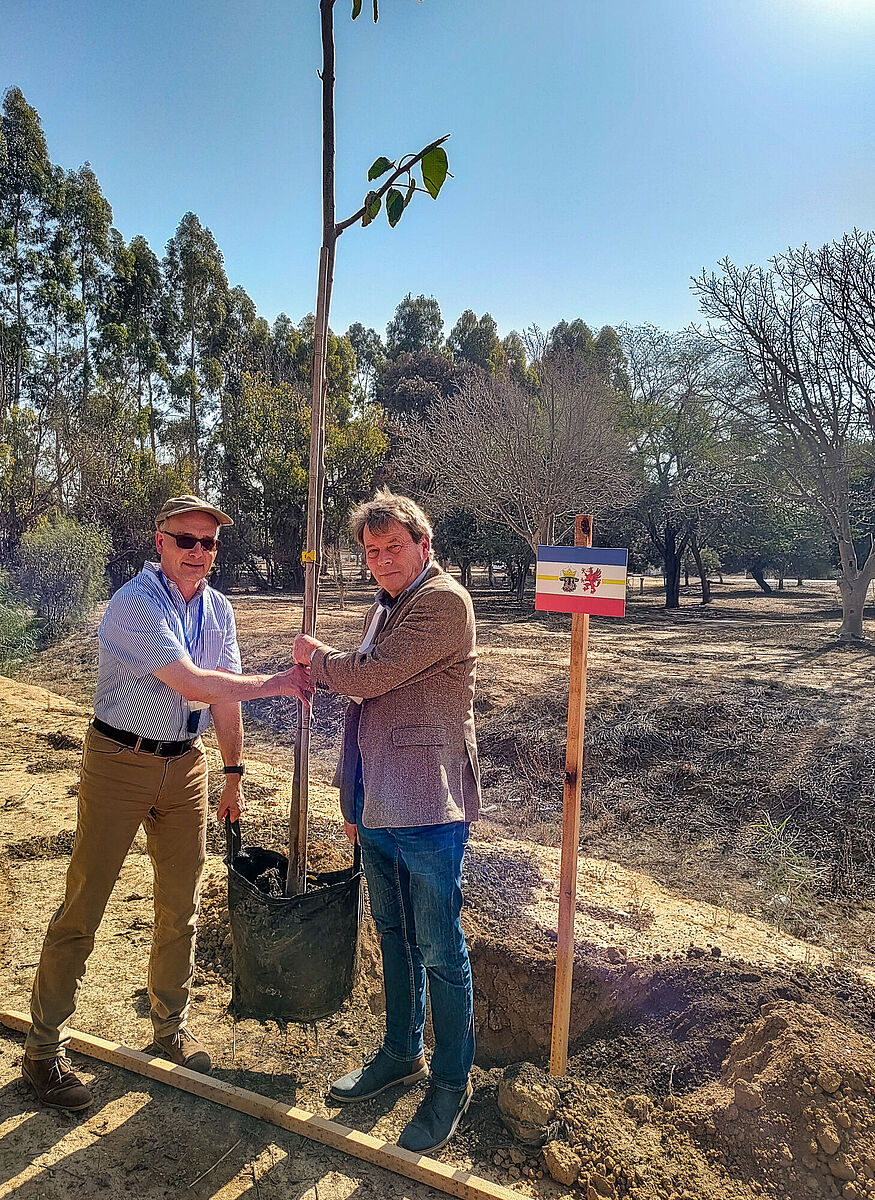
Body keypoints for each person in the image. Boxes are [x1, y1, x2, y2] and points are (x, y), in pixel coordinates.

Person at [22, 495, 310, 1111]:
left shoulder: (217, 610)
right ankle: (42, 1051)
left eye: (209, 544)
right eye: (188, 541)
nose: (200, 554)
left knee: (179, 905)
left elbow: (221, 702)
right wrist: (279, 682)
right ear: (160, 541)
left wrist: (233, 770)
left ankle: (168, 1030)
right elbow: (193, 682)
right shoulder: (136, 605)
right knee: (85, 903)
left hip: (186, 765)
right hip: (120, 762)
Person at [292, 489, 480, 1154]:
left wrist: (315, 660)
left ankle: (450, 1084)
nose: (380, 561)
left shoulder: (442, 602)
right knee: (394, 933)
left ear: (422, 546)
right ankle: (401, 1052)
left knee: (438, 947)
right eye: (371, 552)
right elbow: (366, 710)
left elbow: (372, 678)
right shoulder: (388, 603)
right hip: (379, 802)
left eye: (391, 548)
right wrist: (351, 797)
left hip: (428, 805)